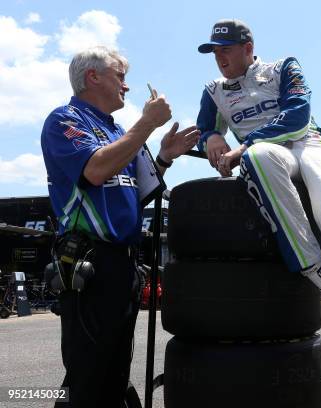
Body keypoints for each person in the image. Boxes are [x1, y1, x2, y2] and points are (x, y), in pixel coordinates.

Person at [196, 19, 321, 374]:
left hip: (307, 142)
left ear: (248, 48)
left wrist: (243, 142)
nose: (219, 58)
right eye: (214, 51)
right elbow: (206, 127)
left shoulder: (283, 67)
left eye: (226, 49)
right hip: (265, 155)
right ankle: (316, 271)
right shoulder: (213, 89)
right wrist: (211, 138)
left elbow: (297, 116)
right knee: (258, 157)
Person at [41, 46, 200, 407]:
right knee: (89, 374)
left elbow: (137, 192)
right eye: (120, 76)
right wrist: (146, 124)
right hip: (90, 261)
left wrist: (164, 157)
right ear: (93, 76)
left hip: (123, 265)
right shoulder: (65, 119)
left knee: (114, 371)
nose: (126, 86)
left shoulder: (116, 131)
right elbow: (95, 171)